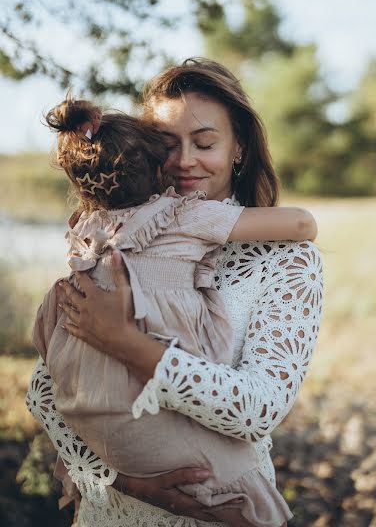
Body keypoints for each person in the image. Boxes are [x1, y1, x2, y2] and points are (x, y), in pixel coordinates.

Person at [26, 58, 323, 527]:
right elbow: (46, 392)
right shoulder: (113, 242)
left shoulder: (284, 259)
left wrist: (128, 344)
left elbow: (258, 410)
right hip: (114, 511)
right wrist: (120, 480)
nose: (184, 161)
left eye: (205, 143)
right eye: (167, 144)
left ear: (238, 147)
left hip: (222, 507)